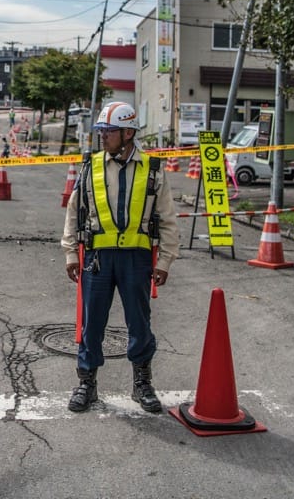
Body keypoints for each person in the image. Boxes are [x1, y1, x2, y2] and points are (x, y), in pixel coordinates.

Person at [60, 102, 180, 414]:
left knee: (140, 323)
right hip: (97, 259)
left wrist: (165, 261)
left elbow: (167, 219)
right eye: (101, 130)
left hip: (136, 261)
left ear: (128, 133)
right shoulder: (91, 165)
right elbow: (75, 212)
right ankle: (87, 383)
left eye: (108, 131)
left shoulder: (152, 169)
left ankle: (142, 383)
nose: (103, 136)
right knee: (92, 324)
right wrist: (71, 252)